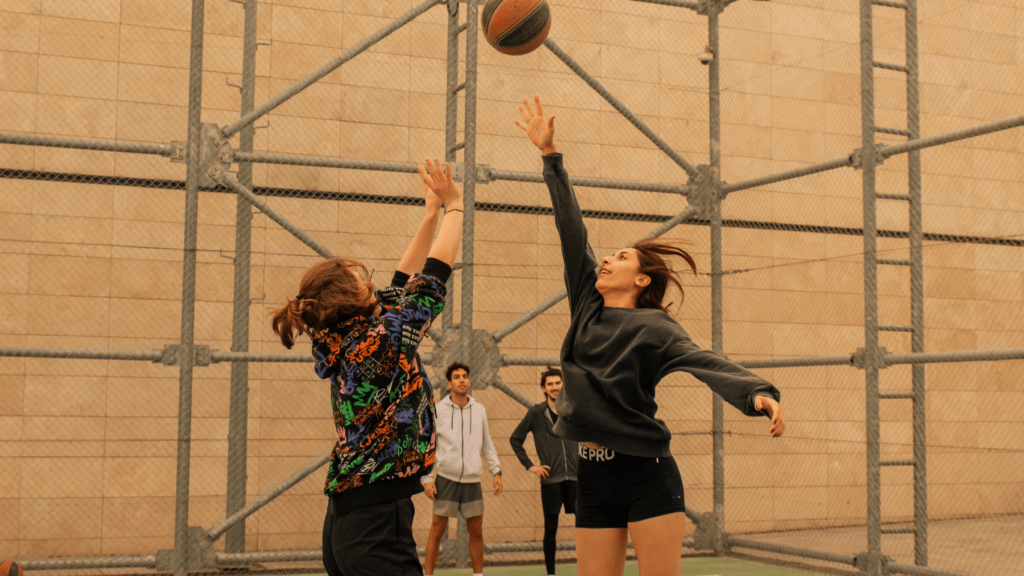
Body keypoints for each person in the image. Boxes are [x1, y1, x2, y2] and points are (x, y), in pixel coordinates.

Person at [514, 95, 787, 576]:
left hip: (648, 475)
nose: (606, 260)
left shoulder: (656, 328)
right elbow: (570, 229)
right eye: (610, 255)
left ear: (642, 280)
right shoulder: (587, 305)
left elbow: (703, 360)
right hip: (592, 476)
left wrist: (757, 393)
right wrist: (550, 157)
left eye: (620, 258)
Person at [271, 158, 463, 576]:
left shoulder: (347, 336)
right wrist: (456, 207)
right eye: (359, 279)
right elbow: (431, 279)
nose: (368, 281)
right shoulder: (380, 341)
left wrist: (431, 214)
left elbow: (400, 282)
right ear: (346, 297)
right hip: (374, 519)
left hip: (348, 515)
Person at [422, 362, 503, 576]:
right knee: (437, 529)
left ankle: (478, 574)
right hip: (445, 480)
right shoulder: (438, 410)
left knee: (475, 531)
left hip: (472, 482)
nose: (462, 380)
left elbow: (487, 443)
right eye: (457, 377)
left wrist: (496, 471)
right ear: (449, 383)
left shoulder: (479, 410)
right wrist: (427, 479)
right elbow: (428, 446)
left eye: (465, 376)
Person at [509, 366, 579, 576]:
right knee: (551, 528)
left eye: (558, 383)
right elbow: (515, 439)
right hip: (551, 481)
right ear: (543, 388)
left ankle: (590, 569)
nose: (555, 387)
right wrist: (531, 466)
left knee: (586, 525)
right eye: (550, 384)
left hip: (576, 479)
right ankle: (551, 573)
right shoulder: (536, 413)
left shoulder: (574, 410)